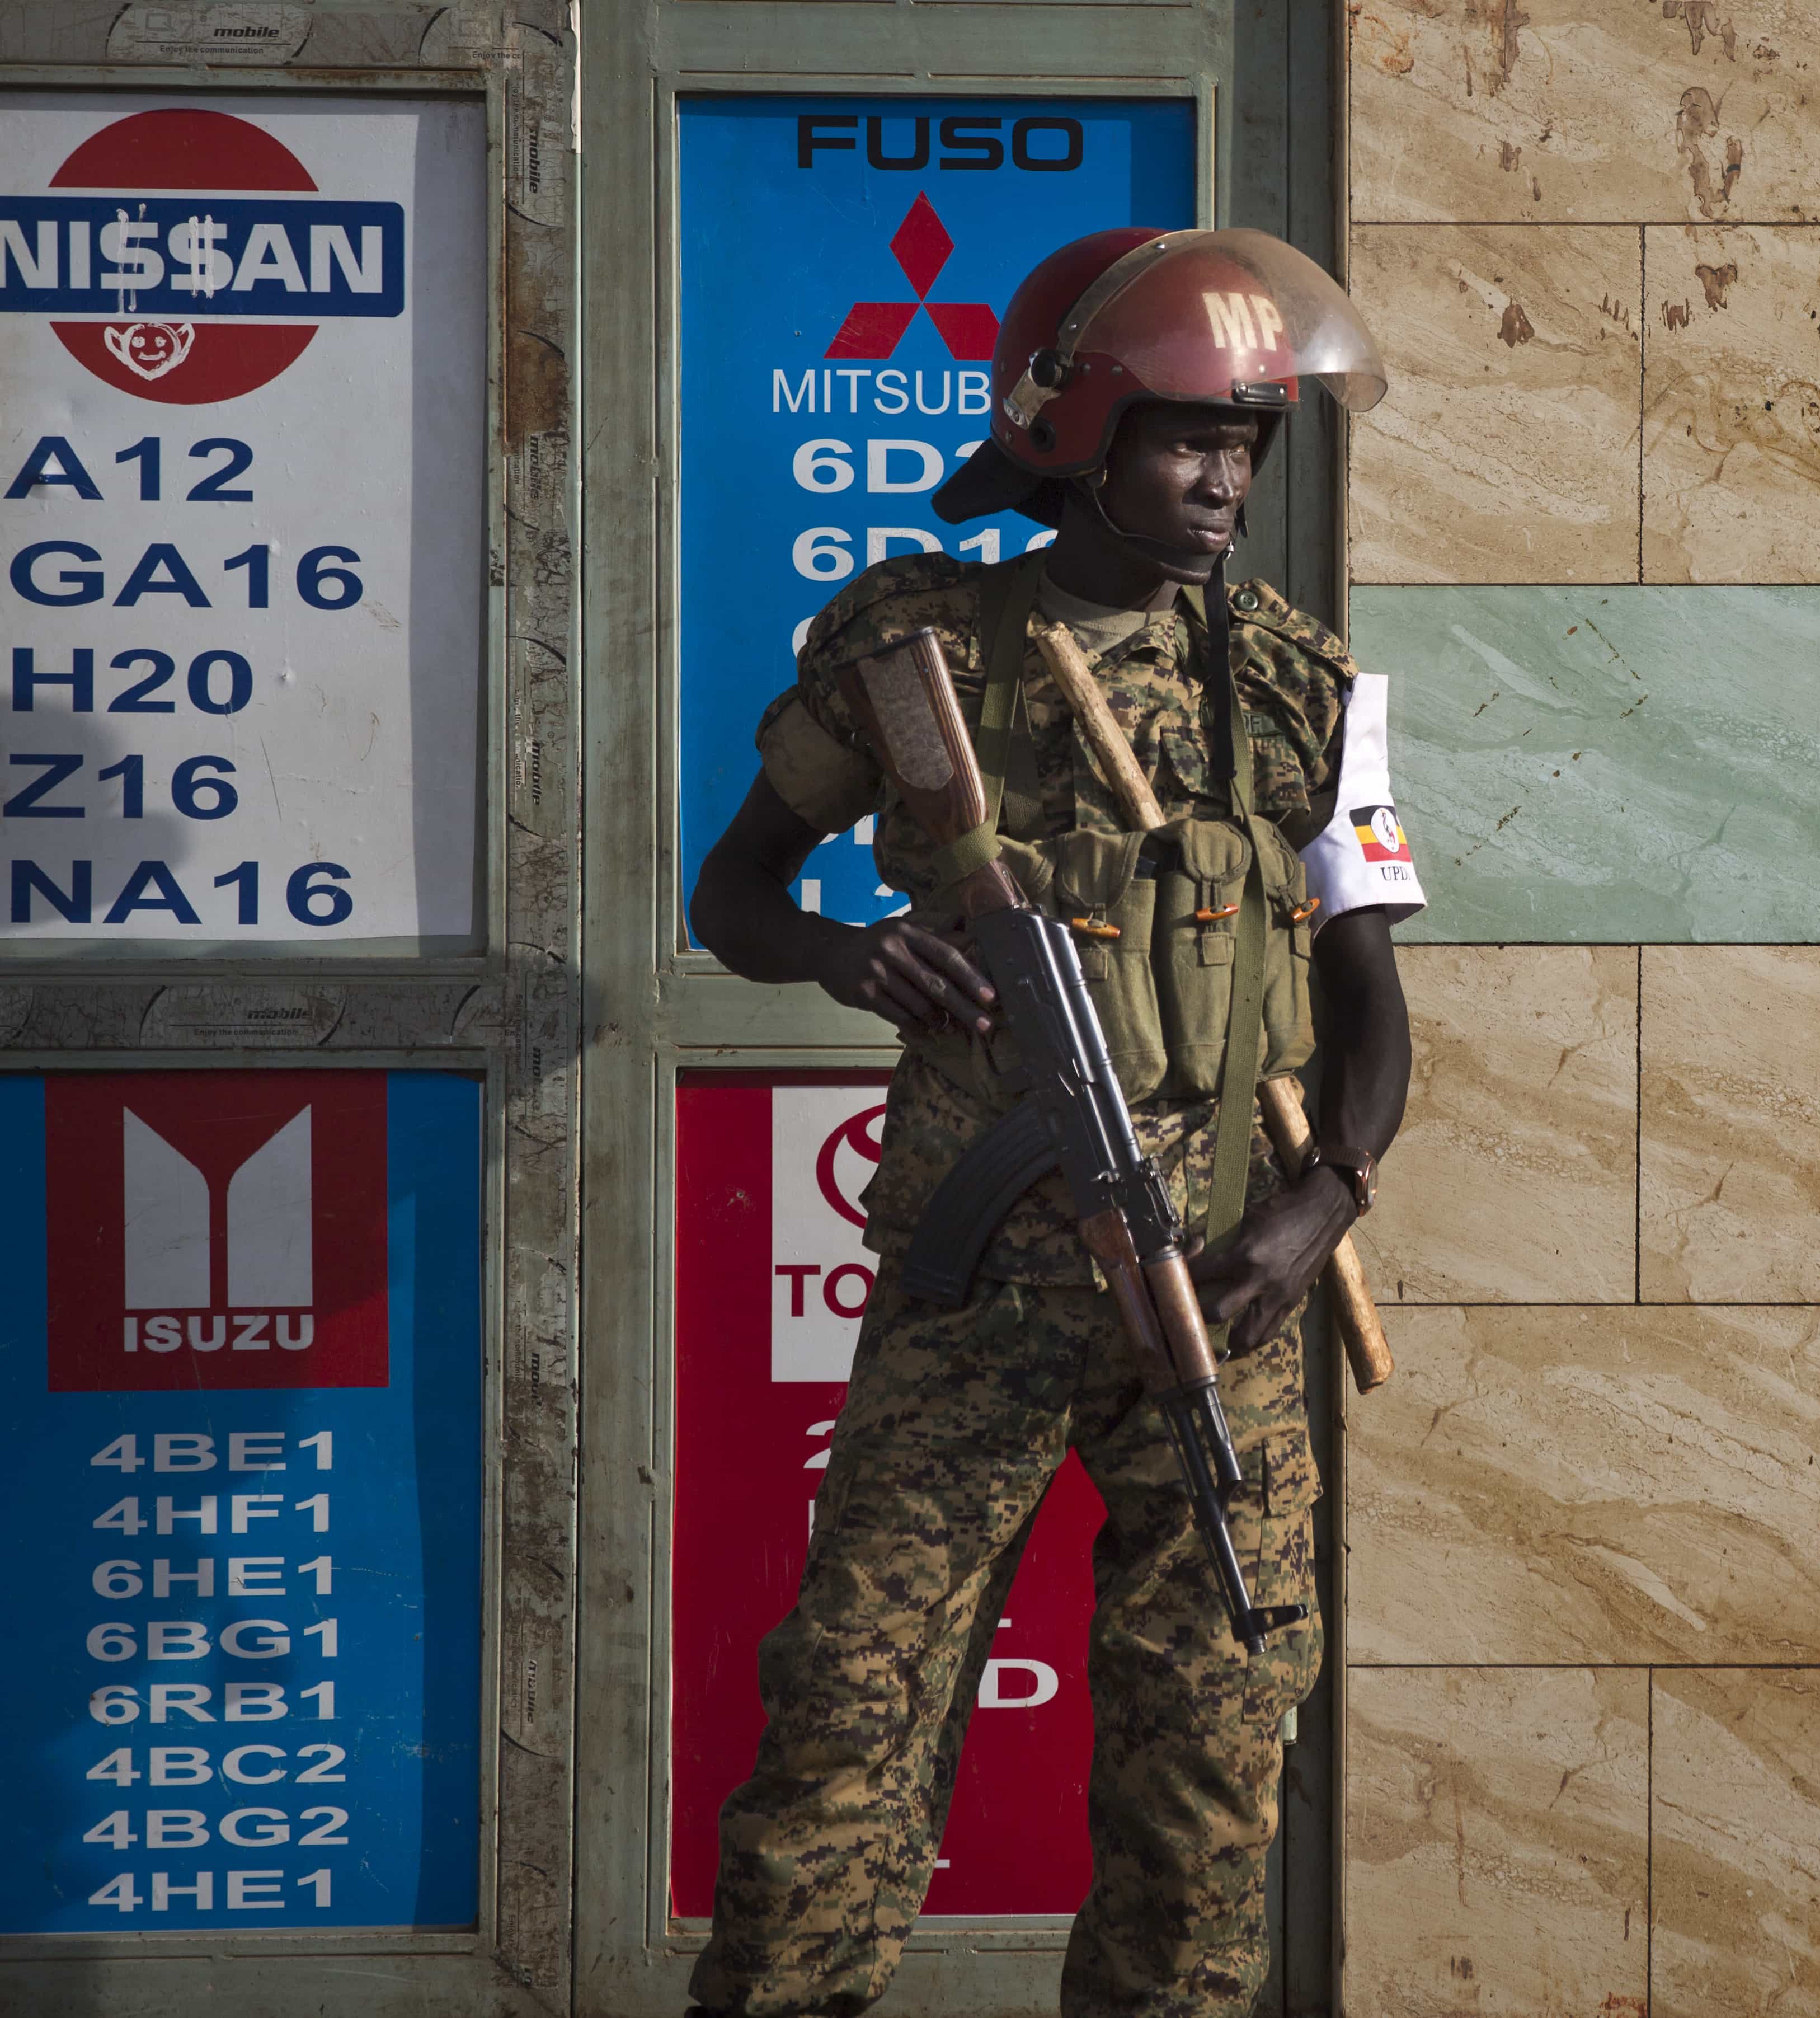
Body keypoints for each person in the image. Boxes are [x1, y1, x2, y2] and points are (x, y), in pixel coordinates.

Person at [683, 227, 1422, 2018]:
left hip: (1229, 1297)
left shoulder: (1303, 684)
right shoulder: (919, 644)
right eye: (1186, 441)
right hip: (980, 1299)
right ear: (1084, 437)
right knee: (858, 1700)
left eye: (1247, 447)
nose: (1222, 482)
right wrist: (857, 958)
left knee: (1216, 1721)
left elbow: (1367, 988)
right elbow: (737, 891)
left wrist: (1321, 1203)